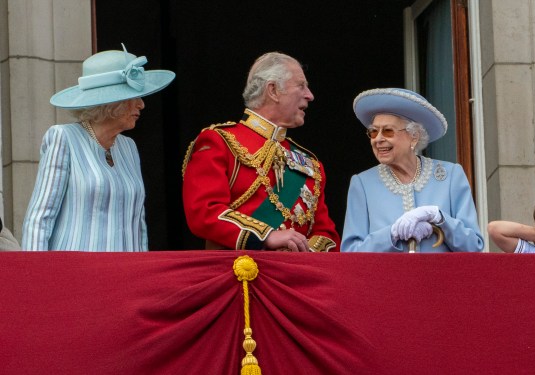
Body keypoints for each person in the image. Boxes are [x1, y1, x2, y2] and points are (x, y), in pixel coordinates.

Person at [21, 46, 175, 250]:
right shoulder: (64, 138)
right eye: (134, 97)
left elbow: (139, 225)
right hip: (75, 274)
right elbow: (39, 220)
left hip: (125, 274)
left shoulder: (129, 147)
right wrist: (36, 278)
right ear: (112, 102)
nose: (141, 105)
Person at [181, 52, 339, 252]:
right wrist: (266, 236)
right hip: (238, 276)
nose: (310, 95)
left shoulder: (309, 163)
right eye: (301, 86)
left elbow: (327, 234)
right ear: (273, 90)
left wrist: (302, 252)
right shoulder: (221, 142)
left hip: (295, 277)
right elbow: (204, 213)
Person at [342, 88, 484, 253]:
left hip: (442, 277)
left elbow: (474, 246)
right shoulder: (363, 184)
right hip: (387, 278)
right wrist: (392, 233)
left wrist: (439, 218)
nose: (378, 139)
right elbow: (351, 253)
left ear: (414, 136)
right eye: (373, 132)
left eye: (387, 131)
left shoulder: (451, 176)